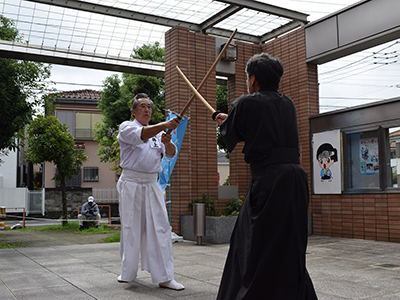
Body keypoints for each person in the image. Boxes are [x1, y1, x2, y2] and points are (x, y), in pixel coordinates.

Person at [214, 53, 318, 299]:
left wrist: (223, 121)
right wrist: (232, 120)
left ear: (253, 79)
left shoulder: (246, 102)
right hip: (295, 180)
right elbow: (262, 126)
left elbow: (231, 135)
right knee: (289, 242)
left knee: (252, 241)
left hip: (268, 180)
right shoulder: (288, 103)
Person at [116, 93, 184, 291]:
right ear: (134, 111)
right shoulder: (127, 127)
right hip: (131, 182)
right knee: (130, 228)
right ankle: (127, 272)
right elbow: (142, 135)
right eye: (143, 106)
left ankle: (165, 276)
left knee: (161, 227)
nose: (147, 110)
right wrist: (165, 125)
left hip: (152, 183)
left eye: (149, 107)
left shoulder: (156, 133)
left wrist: (167, 140)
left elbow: (170, 154)